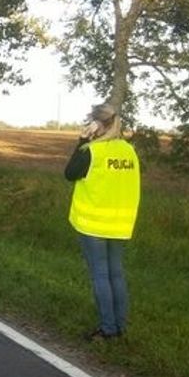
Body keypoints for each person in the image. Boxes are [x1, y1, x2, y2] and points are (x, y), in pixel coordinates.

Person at [65, 102, 140, 341]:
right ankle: (120, 326)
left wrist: (81, 140)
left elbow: (69, 173)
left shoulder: (91, 151)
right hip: (120, 222)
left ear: (97, 123)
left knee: (100, 275)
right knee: (116, 274)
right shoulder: (128, 151)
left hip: (94, 223)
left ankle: (108, 329)